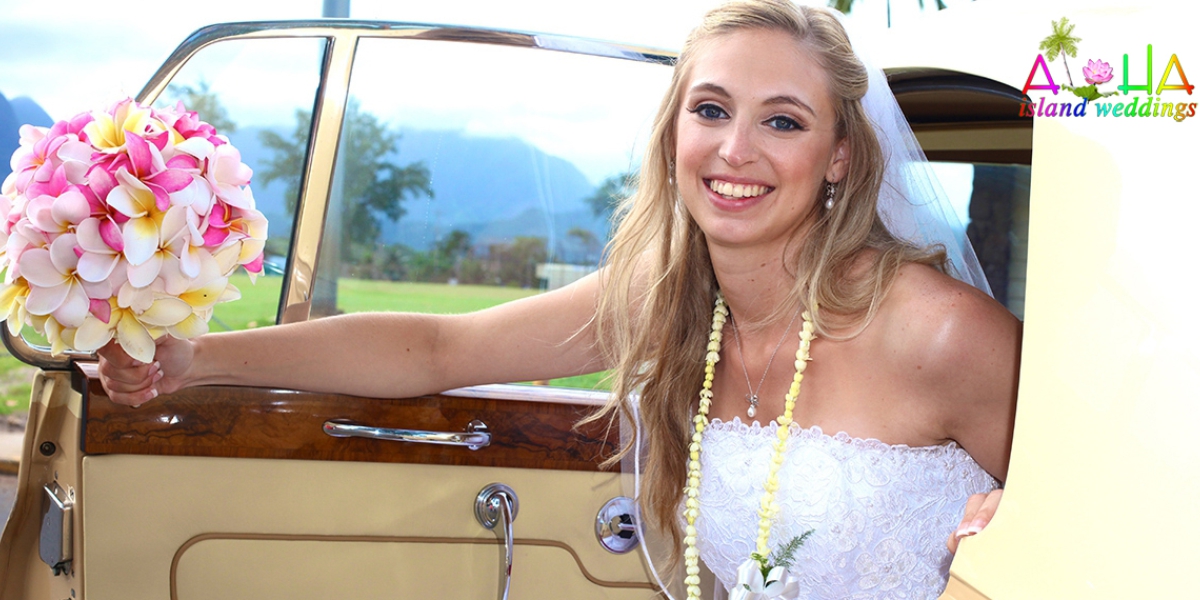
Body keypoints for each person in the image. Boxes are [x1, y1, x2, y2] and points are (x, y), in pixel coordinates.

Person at [97, 1, 1020, 598]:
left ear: (840, 159)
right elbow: (438, 351)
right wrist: (199, 360)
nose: (736, 149)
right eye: (710, 109)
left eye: (783, 120)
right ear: (673, 137)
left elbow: (1099, 521)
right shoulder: (664, 298)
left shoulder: (934, 333)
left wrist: (1018, 519)